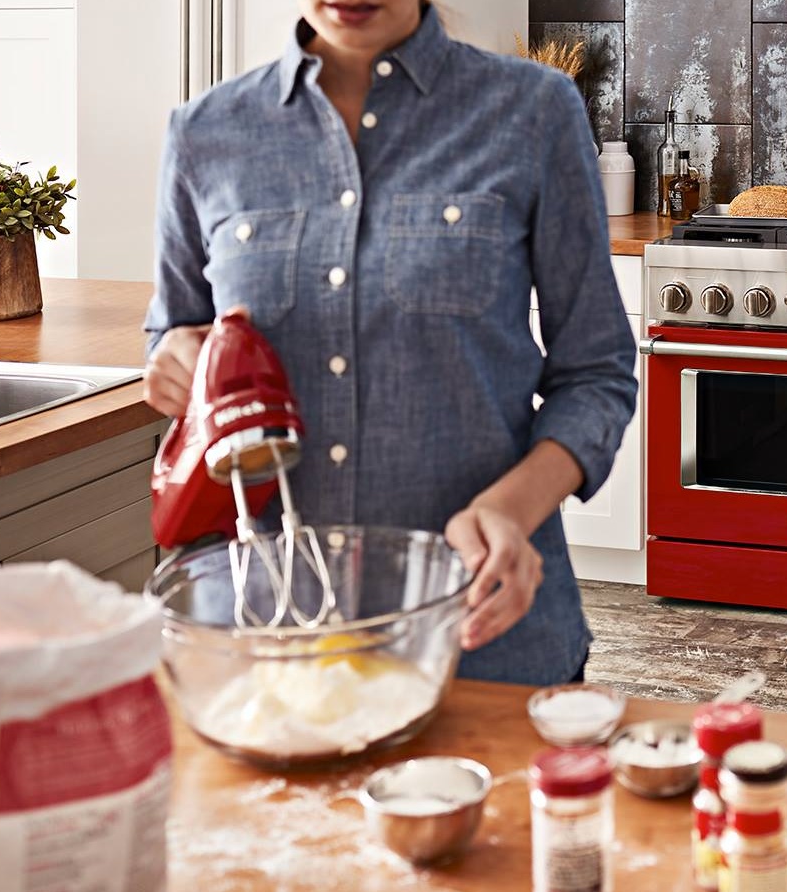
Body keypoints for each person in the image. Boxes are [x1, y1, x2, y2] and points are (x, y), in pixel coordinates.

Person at [142, 0, 637, 686]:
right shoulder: (205, 132)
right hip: (269, 647)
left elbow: (597, 371)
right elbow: (173, 334)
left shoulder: (532, 111)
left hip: (482, 643)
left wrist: (511, 508)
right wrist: (173, 361)